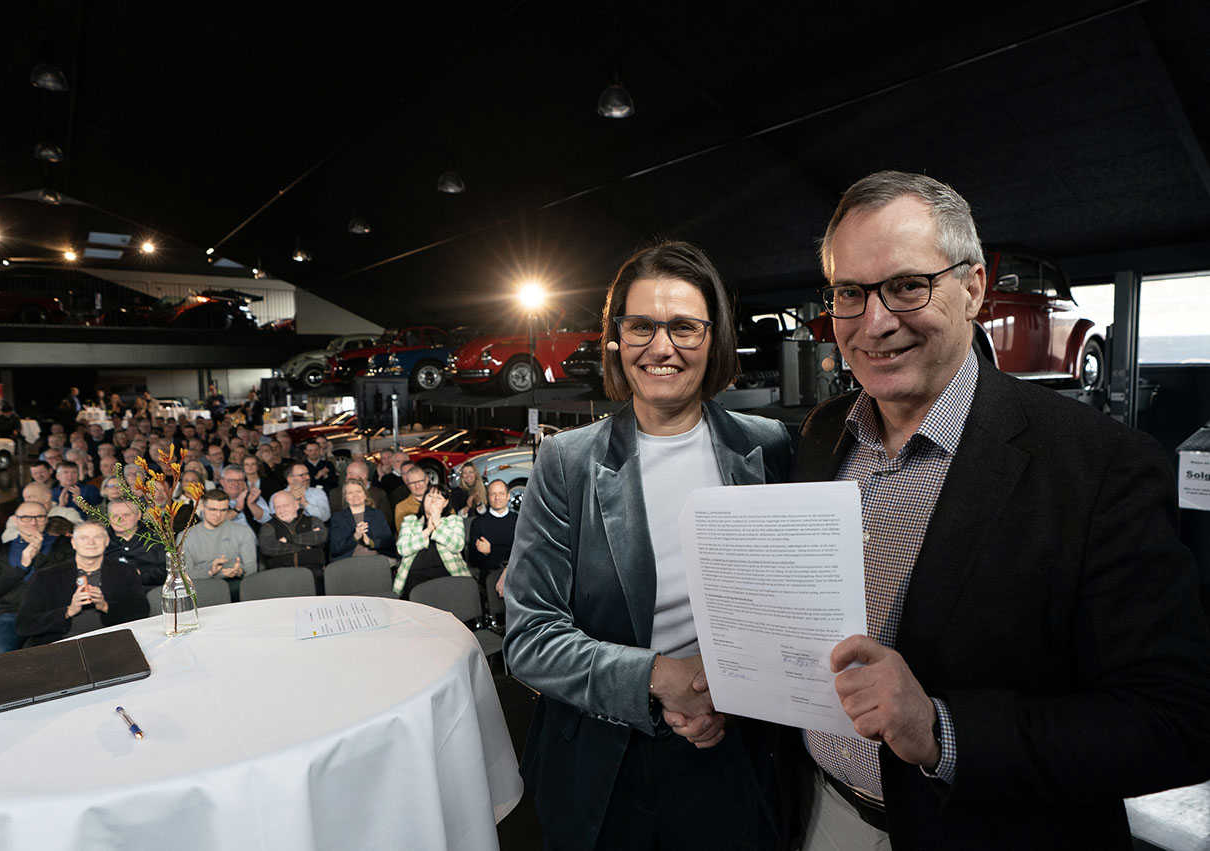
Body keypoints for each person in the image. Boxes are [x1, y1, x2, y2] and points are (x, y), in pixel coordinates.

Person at [791, 170, 1210, 850]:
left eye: (906, 286)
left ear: (974, 288)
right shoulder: (822, 433)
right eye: (849, 293)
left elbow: (1177, 719)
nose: (874, 323)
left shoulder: (1101, 466)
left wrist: (942, 730)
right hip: (820, 816)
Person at [503, 241, 793, 850]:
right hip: (606, 765)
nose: (662, 348)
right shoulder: (567, 463)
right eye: (641, 327)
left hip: (735, 751)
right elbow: (530, 641)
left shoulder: (769, 448)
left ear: (714, 338)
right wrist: (661, 677)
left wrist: (732, 692)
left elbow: (785, 606)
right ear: (616, 338)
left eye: (685, 327)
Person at [16, 521, 149, 647]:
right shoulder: (46, 577)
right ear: (73, 543)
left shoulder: (125, 572)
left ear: (107, 541)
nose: (91, 542)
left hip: (112, 642)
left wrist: (105, 606)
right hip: (62, 645)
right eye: (84, 538)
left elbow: (141, 612)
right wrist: (68, 611)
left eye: (97, 537)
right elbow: (24, 625)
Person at [0, 502, 72, 654]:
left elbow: (65, 581)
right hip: (12, 614)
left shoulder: (64, 545)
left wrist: (39, 554)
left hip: (53, 612)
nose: (33, 522)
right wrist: (22, 566)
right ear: (15, 520)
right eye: (26, 517)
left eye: (39, 517)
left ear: (47, 520)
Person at [392, 483, 467, 599]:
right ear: (423, 500)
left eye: (438, 498)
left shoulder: (453, 520)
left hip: (446, 575)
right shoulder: (410, 521)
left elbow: (457, 545)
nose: (433, 501)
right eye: (430, 496)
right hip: (415, 578)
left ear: (445, 503)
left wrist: (437, 524)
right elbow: (402, 549)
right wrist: (428, 530)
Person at [180, 489, 258, 587]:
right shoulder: (186, 536)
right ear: (202, 507)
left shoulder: (243, 531)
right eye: (213, 509)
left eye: (223, 510)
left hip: (238, 584)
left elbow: (252, 568)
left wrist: (240, 571)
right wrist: (210, 572)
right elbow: (184, 574)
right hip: (201, 587)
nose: (218, 515)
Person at [259, 491, 328, 592]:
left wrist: (288, 539)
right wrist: (304, 547)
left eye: (285, 505)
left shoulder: (313, 520)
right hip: (282, 576)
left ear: (296, 505)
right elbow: (268, 548)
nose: (282, 510)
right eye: (277, 507)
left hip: (313, 574)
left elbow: (321, 537)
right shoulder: (268, 527)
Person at [466, 479, 517, 589]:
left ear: (508, 496)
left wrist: (491, 551)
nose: (497, 498)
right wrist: (484, 553)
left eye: (501, 493)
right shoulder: (478, 523)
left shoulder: (520, 521)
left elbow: (525, 553)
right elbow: (473, 560)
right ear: (488, 498)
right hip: (490, 575)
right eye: (493, 494)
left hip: (517, 571)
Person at [105, 499, 167, 586]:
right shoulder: (99, 540)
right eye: (115, 516)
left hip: (150, 592)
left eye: (126, 515)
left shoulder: (156, 539)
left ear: (138, 515)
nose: (120, 519)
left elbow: (168, 572)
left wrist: (140, 575)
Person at [329, 480, 394, 560]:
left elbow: (389, 542)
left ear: (365, 495)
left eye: (358, 491)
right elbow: (335, 549)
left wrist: (370, 542)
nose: (355, 495)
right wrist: (355, 537)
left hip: (376, 559)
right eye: (350, 493)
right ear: (345, 498)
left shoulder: (377, 514)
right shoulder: (338, 518)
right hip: (348, 562)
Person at [1, 482, 82, 542]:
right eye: (25, 498)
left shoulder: (67, 513)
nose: (27, 501)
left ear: (47, 497)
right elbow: (6, 538)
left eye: (30, 497)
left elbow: (81, 533)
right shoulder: (18, 517)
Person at [329, 460, 393, 528]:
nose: (347, 478)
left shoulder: (379, 494)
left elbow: (386, 520)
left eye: (350, 474)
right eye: (347, 474)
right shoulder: (337, 494)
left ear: (363, 476)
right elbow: (336, 521)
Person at [392, 462, 429, 533]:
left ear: (426, 480)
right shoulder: (401, 508)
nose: (417, 486)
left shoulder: (440, 500)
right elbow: (403, 534)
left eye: (420, 481)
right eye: (413, 483)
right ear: (407, 484)